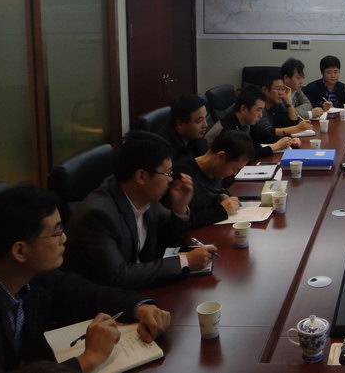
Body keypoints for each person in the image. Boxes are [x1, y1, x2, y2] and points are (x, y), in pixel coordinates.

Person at [0, 186, 171, 373]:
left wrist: (139, 308)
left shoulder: (31, 273)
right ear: (20, 251)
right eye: (57, 233)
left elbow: (82, 293)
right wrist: (89, 359)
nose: (64, 239)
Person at [66, 131, 216, 290]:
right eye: (167, 173)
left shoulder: (145, 197)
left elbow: (170, 238)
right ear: (141, 177)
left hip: (140, 287)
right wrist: (185, 262)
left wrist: (179, 208)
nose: (171, 179)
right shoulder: (98, 215)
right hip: (102, 299)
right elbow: (118, 276)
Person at [169, 130, 254, 228]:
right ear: (221, 156)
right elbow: (182, 222)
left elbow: (215, 191)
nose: (234, 173)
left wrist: (222, 195)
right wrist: (220, 211)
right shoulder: (184, 177)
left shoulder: (217, 171)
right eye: (235, 168)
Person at [205, 88, 298, 157]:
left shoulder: (245, 123)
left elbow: (261, 135)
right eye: (258, 110)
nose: (260, 115)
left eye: (262, 110)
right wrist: (275, 146)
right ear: (244, 109)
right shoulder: (228, 128)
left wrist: (288, 140)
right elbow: (243, 156)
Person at [251, 71, 312, 146]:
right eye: (278, 89)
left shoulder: (277, 104)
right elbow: (266, 132)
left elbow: (292, 122)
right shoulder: (258, 106)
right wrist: (296, 129)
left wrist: (288, 102)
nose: (281, 93)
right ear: (264, 90)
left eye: (283, 89)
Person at [158, 94, 209, 166]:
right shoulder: (164, 153)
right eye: (199, 121)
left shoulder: (194, 136)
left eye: (205, 118)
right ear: (180, 124)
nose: (205, 125)